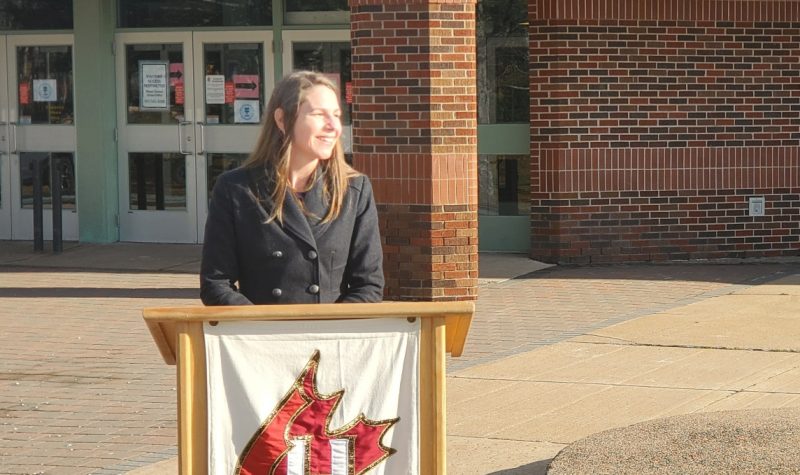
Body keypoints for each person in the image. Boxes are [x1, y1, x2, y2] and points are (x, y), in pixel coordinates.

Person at [200, 71, 384, 305]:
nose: (333, 126)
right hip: (263, 336)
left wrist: (330, 330)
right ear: (282, 119)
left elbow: (369, 285)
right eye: (319, 114)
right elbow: (216, 284)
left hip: (330, 335)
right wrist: (264, 329)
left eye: (336, 115)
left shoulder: (354, 190)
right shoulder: (236, 189)